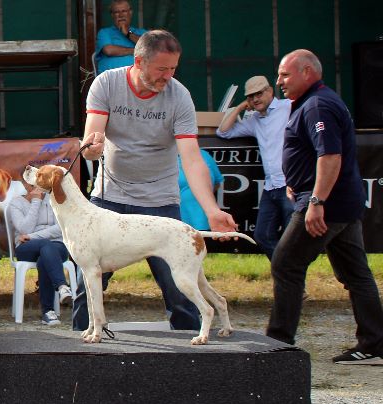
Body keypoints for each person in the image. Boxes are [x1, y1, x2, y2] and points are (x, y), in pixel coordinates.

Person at [73, 30, 238, 332]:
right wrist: (93, 148)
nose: (168, 77)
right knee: (87, 284)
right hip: (109, 199)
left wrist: (212, 210)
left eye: (174, 68)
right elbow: (92, 140)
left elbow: (191, 158)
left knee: (179, 294)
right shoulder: (106, 83)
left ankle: (190, 356)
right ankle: (78, 356)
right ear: (138, 61)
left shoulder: (180, 96)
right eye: (162, 69)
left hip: (160, 202)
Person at [266, 49, 383, 365]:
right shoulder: (318, 101)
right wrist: (298, 179)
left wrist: (316, 200)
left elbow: (330, 156)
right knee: (355, 274)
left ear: (307, 72)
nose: (279, 82)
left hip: (326, 204)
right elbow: (315, 152)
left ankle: (277, 344)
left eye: (285, 75)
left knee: (286, 263)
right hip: (339, 202)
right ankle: (373, 345)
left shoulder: (318, 104)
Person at [217, 75, 294, 258]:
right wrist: (240, 107)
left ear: (269, 91)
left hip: (290, 185)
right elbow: (223, 132)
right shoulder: (254, 120)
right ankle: (286, 275)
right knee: (262, 235)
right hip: (271, 187)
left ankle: (290, 278)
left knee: (293, 238)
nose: (255, 99)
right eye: (250, 97)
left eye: (258, 94)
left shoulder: (288, 106)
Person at [7, 185, 72, 325]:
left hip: (55, 246)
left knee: (45, 257)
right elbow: (24, 228)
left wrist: (32, 236)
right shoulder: (16, 203)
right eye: (33, 183)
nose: (38, 186)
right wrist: (36, 202)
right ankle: (62, 286)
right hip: (26, 248)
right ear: (26, 185)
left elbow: (60, 228)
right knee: (46, 245)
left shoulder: (54, 200)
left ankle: (48, 312)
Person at [95, 0, 148, 75]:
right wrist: (138, 51)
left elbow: (149, 48)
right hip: (111, 78)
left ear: (130, 12)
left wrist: (128, 34)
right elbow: (109, 51)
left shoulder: (142, 33)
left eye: (124, 11)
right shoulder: (104, 32)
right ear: (112, 15)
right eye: (116, 12)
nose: (121, 15)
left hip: (139, 78)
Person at [177, 149, 223, 231]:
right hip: (175, 223)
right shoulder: (164, 157)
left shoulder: (204, 155)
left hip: (205, 221)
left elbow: (217, 182)